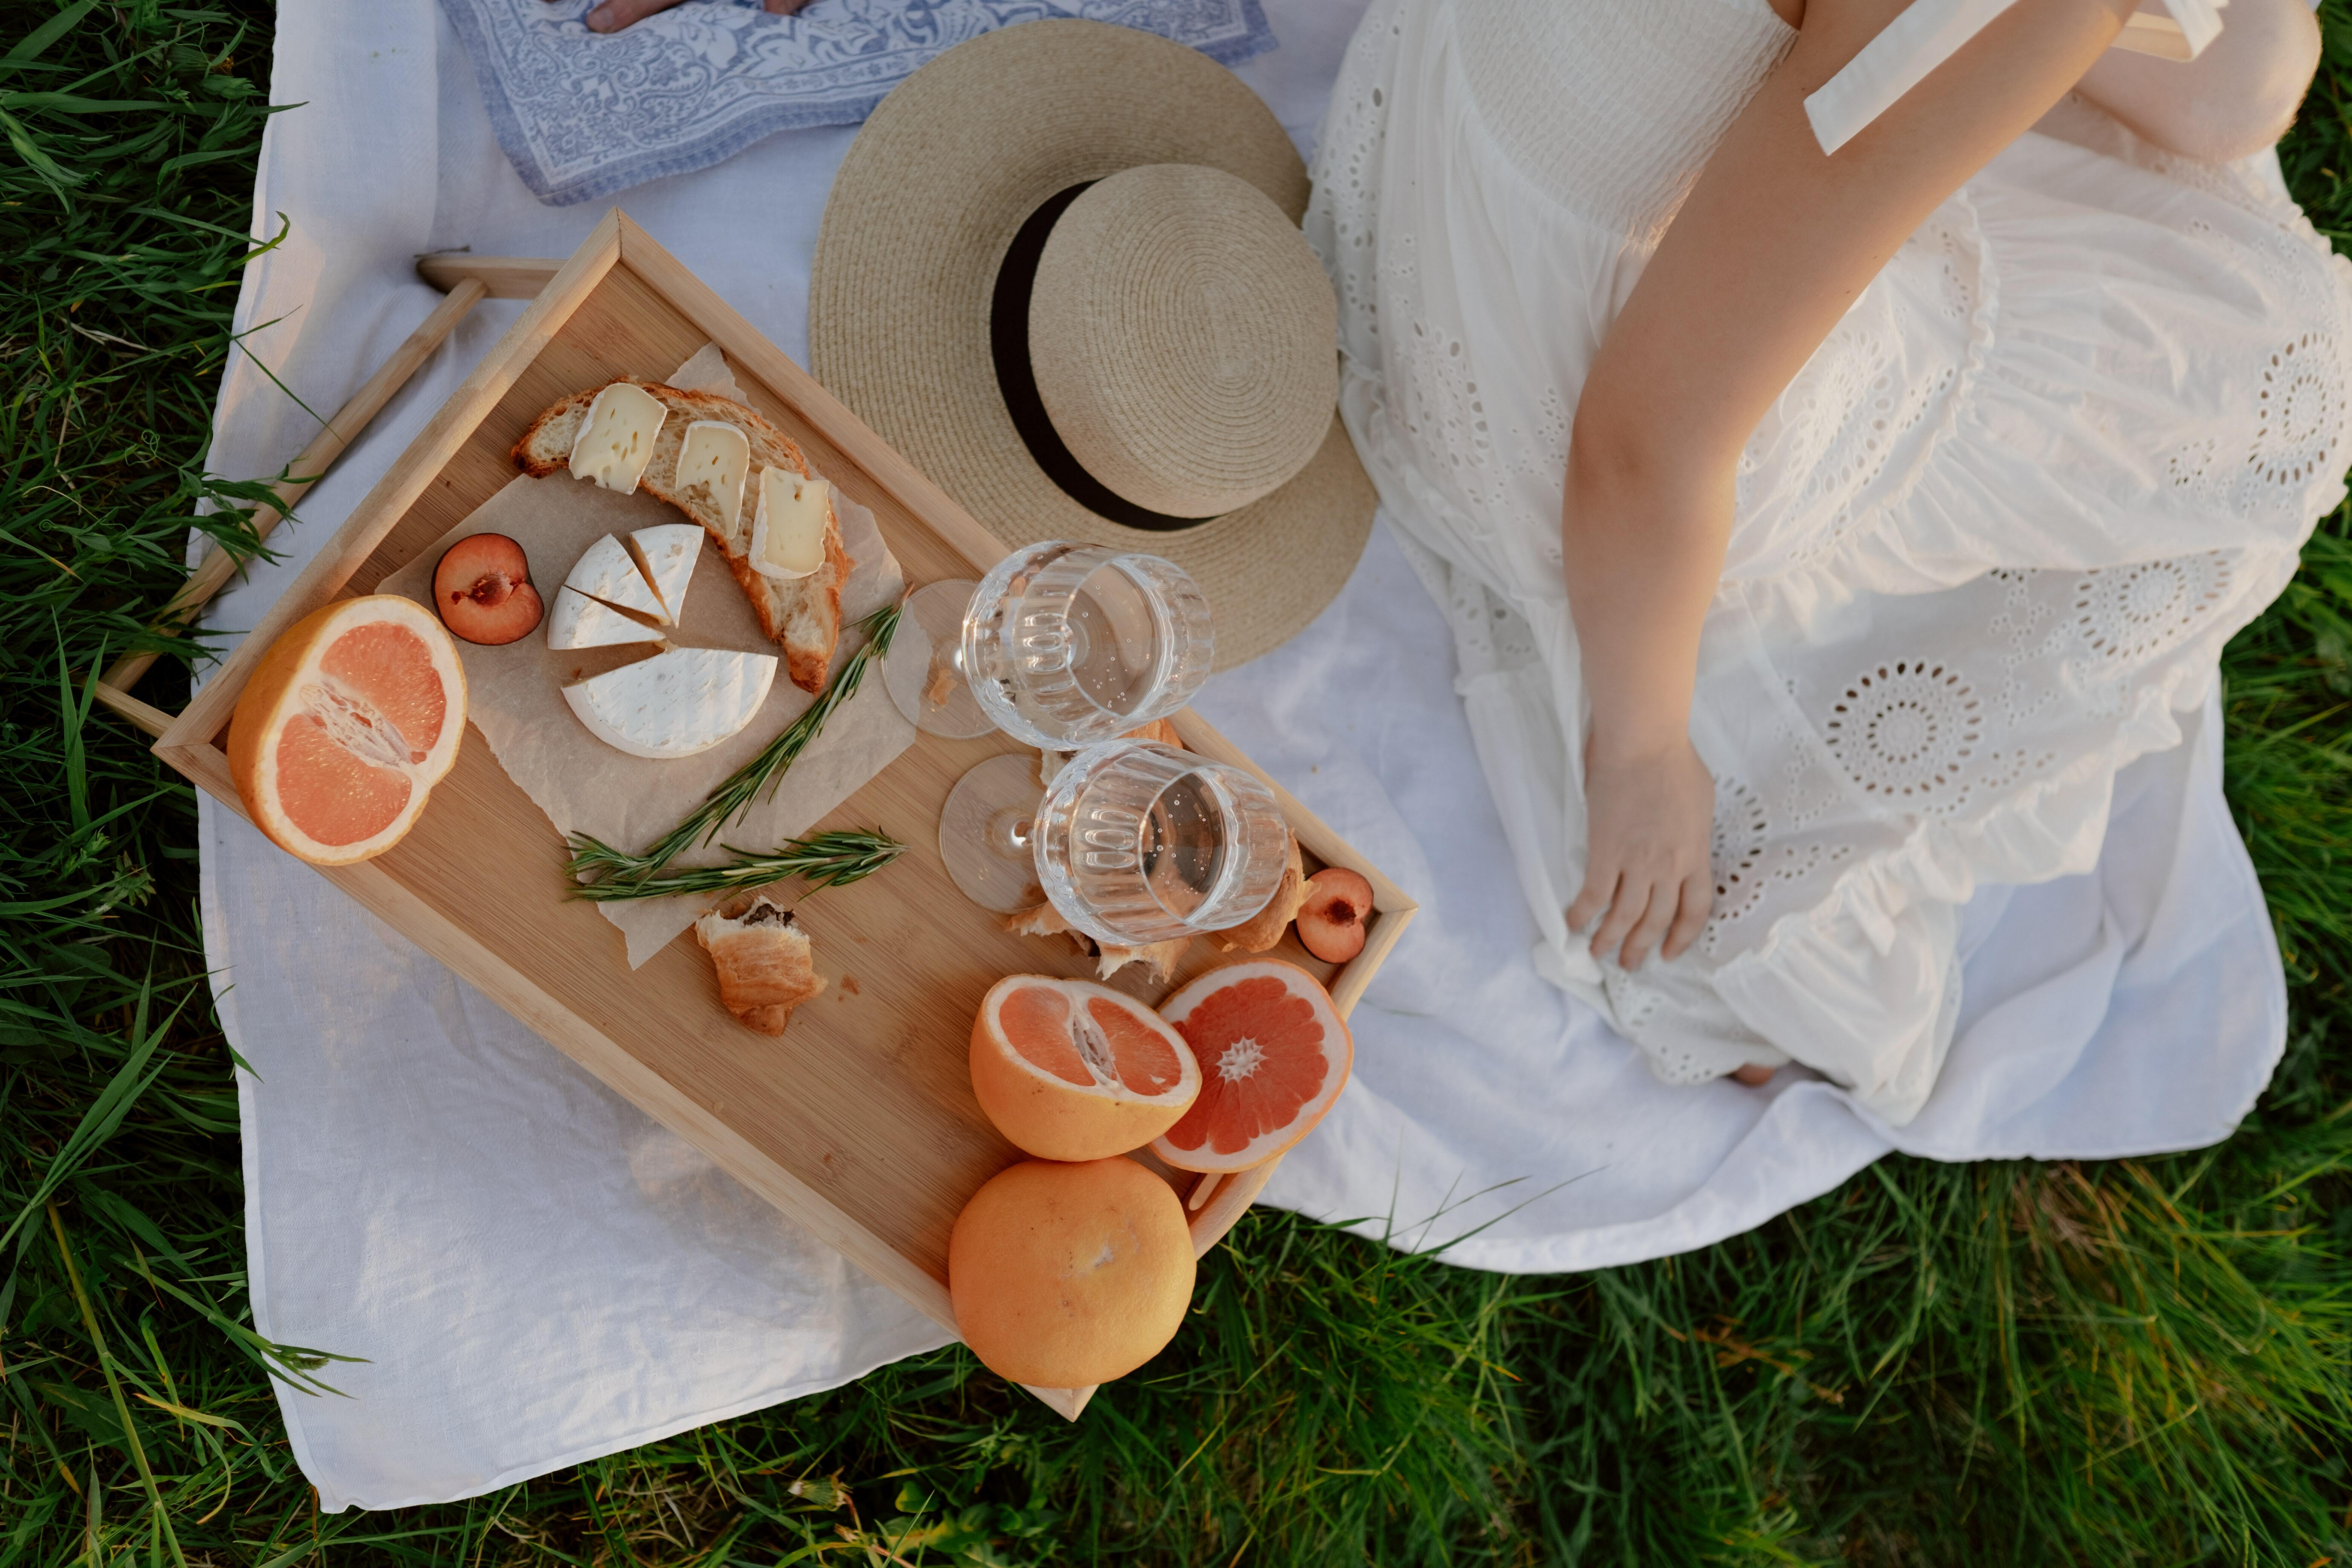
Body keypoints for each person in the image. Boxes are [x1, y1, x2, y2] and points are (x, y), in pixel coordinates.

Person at [1305, 0, 2347, 1122]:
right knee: (2300, 382)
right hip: (1572, 419)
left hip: (1467, 154)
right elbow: (1643, 449)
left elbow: (2240, 88)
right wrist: (1645, 752)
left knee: (2236, 75)